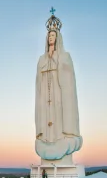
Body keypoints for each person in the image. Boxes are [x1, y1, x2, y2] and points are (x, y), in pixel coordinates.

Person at [35, 11, 82, 160]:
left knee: (59, 118)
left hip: (59, 94)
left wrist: (56, 60)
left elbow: (68, 80)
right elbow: (38, 81)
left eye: (53, 36)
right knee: (47, 117)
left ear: (58, 39)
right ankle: (47, 142)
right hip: (45, 97)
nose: (50, 38)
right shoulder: (41, 59)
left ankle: (61, 139)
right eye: (49, 36)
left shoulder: (64, 56)